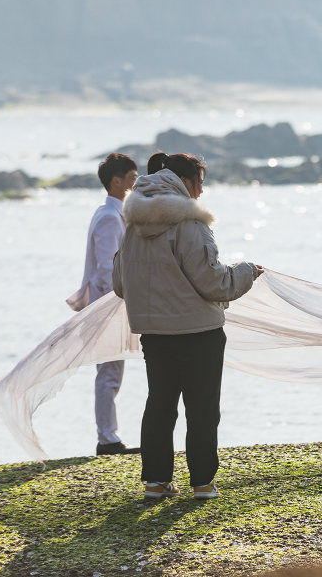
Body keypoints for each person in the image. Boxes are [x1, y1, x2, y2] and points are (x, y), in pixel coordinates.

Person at [112, 151, 262, 499]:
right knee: (202, 408)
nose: (201, 193)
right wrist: (246, 271)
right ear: (186, 183)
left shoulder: (132, 226)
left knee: (159, 405)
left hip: (154, 333)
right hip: (199, 333)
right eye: (200, 184)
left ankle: (156, 482)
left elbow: (120, 285)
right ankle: (203, 483)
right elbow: (215, 284)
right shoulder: (191, 225)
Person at [66, 152, 139, 456]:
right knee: (109, 371)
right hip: (108, 305)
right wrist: (116, 305)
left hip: (108, 302)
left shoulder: (108, 213)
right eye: (132, 180)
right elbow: (108, 269)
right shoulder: (110, 217)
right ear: (116, 181)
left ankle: (108, 436)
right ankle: (107, 439)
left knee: (110, 370)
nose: (135, 185)